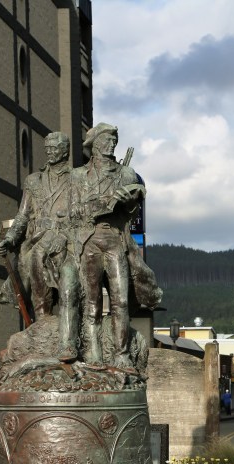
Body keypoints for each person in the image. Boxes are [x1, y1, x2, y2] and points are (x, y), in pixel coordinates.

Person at [71, 122, 155, 368]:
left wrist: (132, 198)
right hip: (89, 241)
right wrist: (100, 204)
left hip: (116, 240)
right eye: (104, 141)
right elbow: (72, 212)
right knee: (92, 301)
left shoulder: (126, 174)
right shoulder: (77, 176)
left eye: (113, 142)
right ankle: (93, 354)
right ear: (94, 145)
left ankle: (121, 354)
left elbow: (133, 211)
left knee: (121, 301)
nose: (110, 146)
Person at [0, 131, 80, 362]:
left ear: (66, 151)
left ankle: (70, 335)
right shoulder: (34, 181)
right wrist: (11, 239)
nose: (50, 152)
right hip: (38, 239)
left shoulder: (77, 178)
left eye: (55, 148)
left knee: (69, 285)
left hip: (68, 239)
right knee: (34, 267)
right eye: (48, 148)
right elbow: (22, 216)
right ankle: (43, 327)